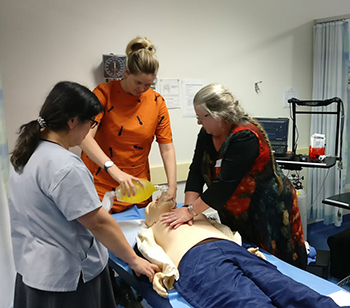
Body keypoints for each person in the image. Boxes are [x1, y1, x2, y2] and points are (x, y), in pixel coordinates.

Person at [8, 81, 159, 308]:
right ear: (72, 121)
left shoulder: (26, 153)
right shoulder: (66, 166)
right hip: (67, 281)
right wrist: (134, 260)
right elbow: (99, 224)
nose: (90, 131)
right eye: (90, 124)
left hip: (32, 271)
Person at [161, 83, 307, 269]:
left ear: (218, 115)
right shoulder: (207, 133)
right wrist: (188, 210)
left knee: (273, 261)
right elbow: (196, 171)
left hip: (265, 209)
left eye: (201, 117)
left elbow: (224, 185)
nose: (199, 123)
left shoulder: (245, 136)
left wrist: (190, 212)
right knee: (243, 254)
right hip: (235, 209)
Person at [137, 192, 341, 308]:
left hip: (230, 248)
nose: (164, 198)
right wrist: (167, 272)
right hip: (196, 258)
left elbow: (225, 230)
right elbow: (150, 250)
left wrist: (243, 248)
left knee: (285, 287)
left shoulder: (193, 212)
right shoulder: (151, 227)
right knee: (247, 301)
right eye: (156, 201)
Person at [80, 36, 176, 213]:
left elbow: (166, 147)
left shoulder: (157, 102)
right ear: (126, 73)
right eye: (138, 82)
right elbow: (84, 137)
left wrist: (172, 186)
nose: (142, 89)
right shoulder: (103, 94)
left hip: (137, 188)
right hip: (100, 186)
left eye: (148, 84)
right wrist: (114, 171)